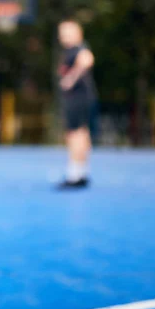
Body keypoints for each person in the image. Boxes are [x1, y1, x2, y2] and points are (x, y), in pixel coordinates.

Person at [57, 20, 97, 188]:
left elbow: (87, 60)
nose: (63, 36)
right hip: (81, 98)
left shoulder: (80, 49)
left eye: (67, 31)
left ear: (78, 33)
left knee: (76, 134)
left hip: (79, 98)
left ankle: (75, 174)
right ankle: (81, 172)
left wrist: (70, 79)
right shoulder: (70, 51)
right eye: (62, 32)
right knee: (80, 133)